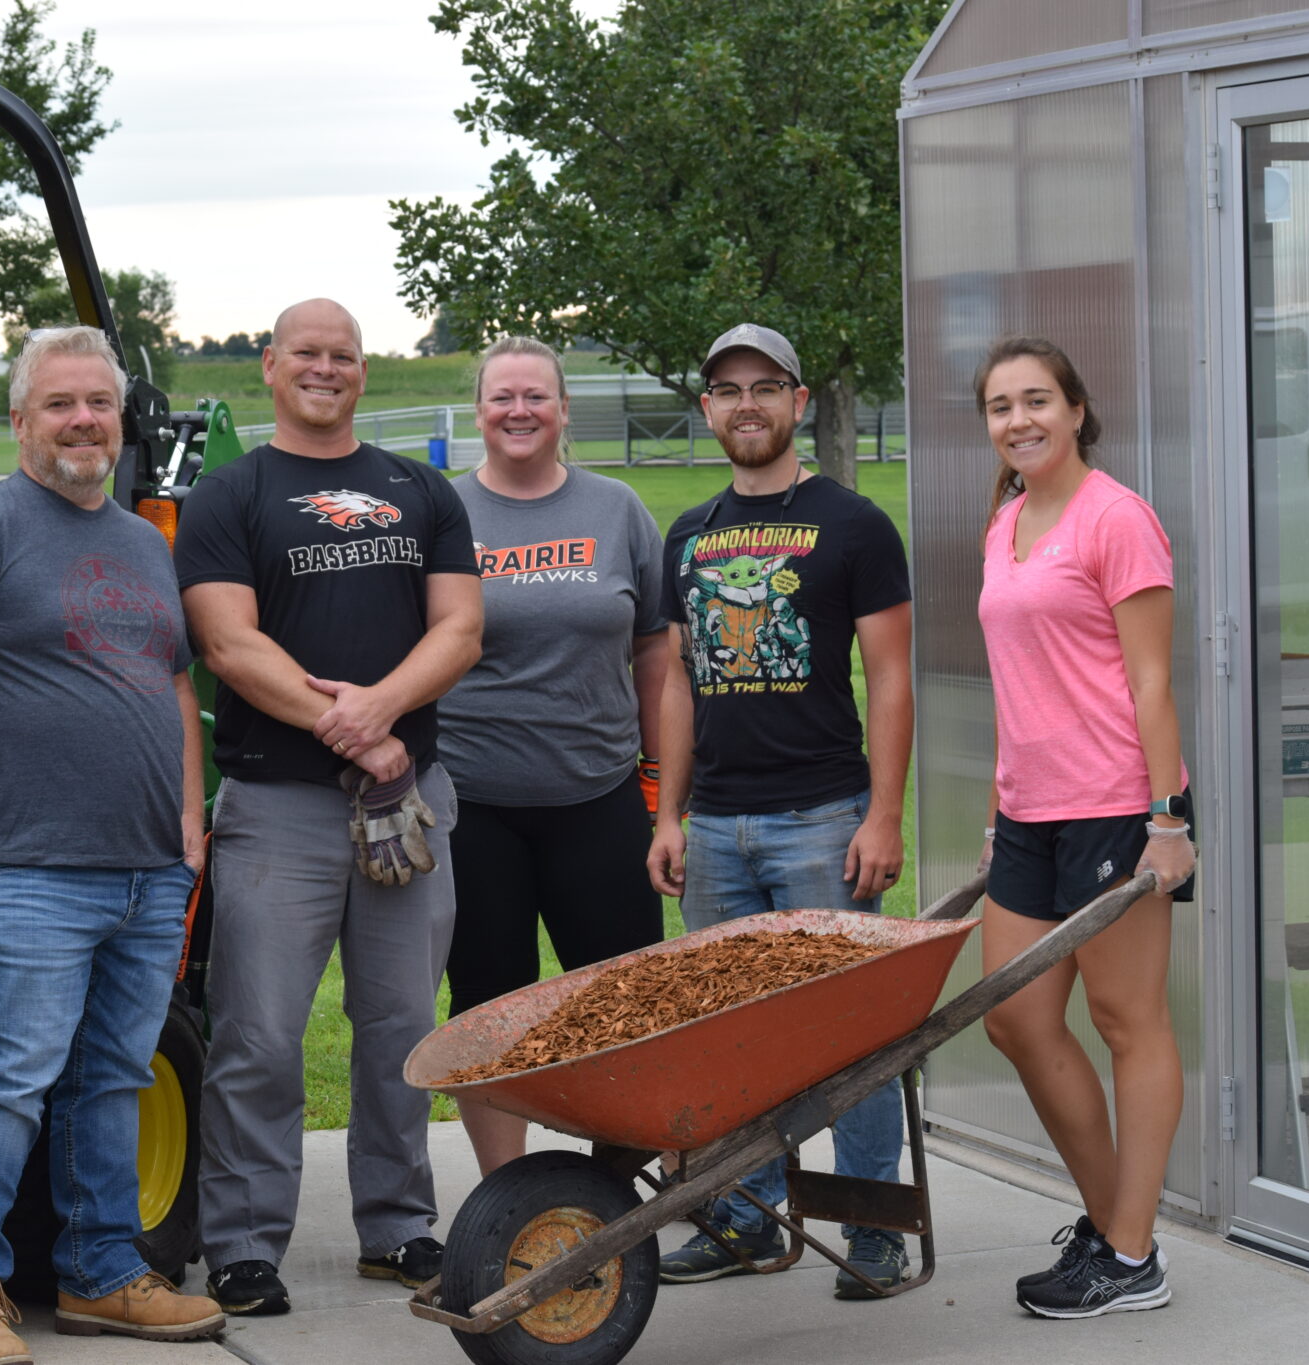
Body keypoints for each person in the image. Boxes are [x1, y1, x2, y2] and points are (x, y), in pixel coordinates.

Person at [0, 326, 223, 1365]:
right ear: (21, 419)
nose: (83, 421)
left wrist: (188, 825)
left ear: (120, 420)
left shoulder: (139, 541)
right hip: (26, 868)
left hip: (145, 870)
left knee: (113, 1075)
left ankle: (102, 1273)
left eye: (99, 405)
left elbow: (168, 685)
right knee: (11, 1075)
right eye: (60, 404)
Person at [174, 298, 484, 1315]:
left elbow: (459, 629)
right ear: (268, 367)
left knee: (398, 1026)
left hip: (407, 798)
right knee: (258, 1035)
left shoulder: (418, 489)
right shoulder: (230, 493)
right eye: (304, 353)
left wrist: (383, 712)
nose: (324, 368)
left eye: (342, 355)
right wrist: (341, 723)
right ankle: (243, 1244)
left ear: (363, 371)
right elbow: (228, 644)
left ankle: (396, 1227)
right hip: (277, 808)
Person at [646, 322, 915, 1298]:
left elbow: (889, 678)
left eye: (764, 386)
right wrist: (668, 816)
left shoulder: (851, 524)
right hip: (714, 829)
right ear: (707, 409)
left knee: (850, 1032)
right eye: (726, 389)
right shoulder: (688, 532)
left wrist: (880, 817)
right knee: (727, 1032)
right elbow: (679, 683)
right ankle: (745, 1220)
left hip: (820, 819)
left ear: (798, 402)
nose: (745, 404)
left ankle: (868, 1224)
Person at [972, 336, 1195, 1319]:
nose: (1017, 420)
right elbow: (1014, 684)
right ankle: (1114, 1225)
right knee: (1013, 1017)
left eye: (1034, 400)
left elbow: (1150, 679)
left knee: (1125, 1022)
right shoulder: (1005, 521)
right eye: (997, 406)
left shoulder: (1117, 519)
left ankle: (1129, 1253)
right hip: (1027, 811)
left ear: (1072, 408)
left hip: (1116, 804)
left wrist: (1166, 821)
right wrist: (994, 807)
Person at [434, 334, 670, 1176]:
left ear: (565, 409)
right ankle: (510, 1201)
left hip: (596, 798)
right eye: (503, 396)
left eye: (537, 395)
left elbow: (657, 658)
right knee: (489, 1012)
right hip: (471, 806)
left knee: (626, 1005)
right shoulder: (443, 511)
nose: (520, 410)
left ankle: (619, 1191)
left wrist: (663, 795)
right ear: (480, 412)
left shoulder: (618, 510)